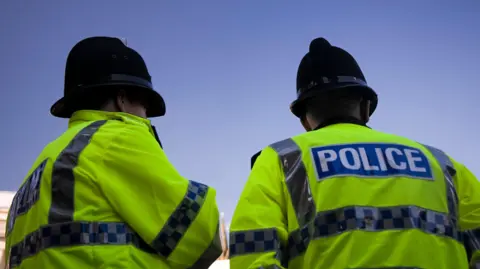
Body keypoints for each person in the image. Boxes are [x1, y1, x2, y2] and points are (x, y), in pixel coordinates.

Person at [229, 37, 480, 269]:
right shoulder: (441, 163)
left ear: (305, 121)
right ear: (366, 107)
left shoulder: (281, 159)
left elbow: (252, 253)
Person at [5, 36, 222, 269]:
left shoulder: (39, 170)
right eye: (145, 107)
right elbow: (202, 237)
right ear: (122, 100)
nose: (146, 117)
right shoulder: (116, 137)